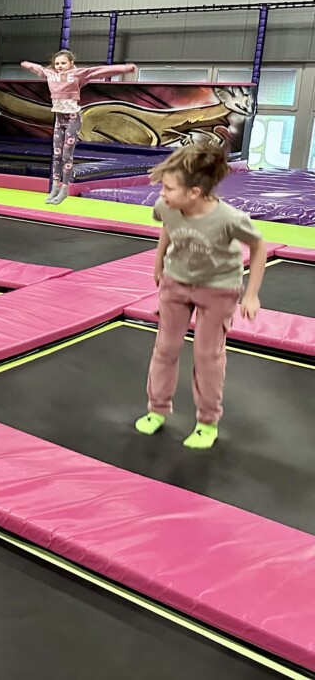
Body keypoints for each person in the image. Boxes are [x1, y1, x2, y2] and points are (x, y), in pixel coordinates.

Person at [135, 144, 266, 450]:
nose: (162, 193)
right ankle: (157, 409)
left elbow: (259, 246)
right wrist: (158, 263)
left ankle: (207, 422)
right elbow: (168, 227)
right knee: (165, 348)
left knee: (207, 356)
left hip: (218, 289)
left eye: (169, 188)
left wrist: (251, 295)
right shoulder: (166, 205)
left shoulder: (228, 218)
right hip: (176, 282)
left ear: (194, 192)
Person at [19, 50, 136, 205]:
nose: (60, 66)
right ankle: (55, 187)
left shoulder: (77, 75)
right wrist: (26, 64)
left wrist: (125, 68)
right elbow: (38, 69)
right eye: (57, 63)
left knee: (66, 155)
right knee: (56, 155)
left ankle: (64, 188)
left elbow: (98, 71)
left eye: (63, 63)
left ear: (71, 64)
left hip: (72, 119)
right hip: (59, 120)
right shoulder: (50, 74)